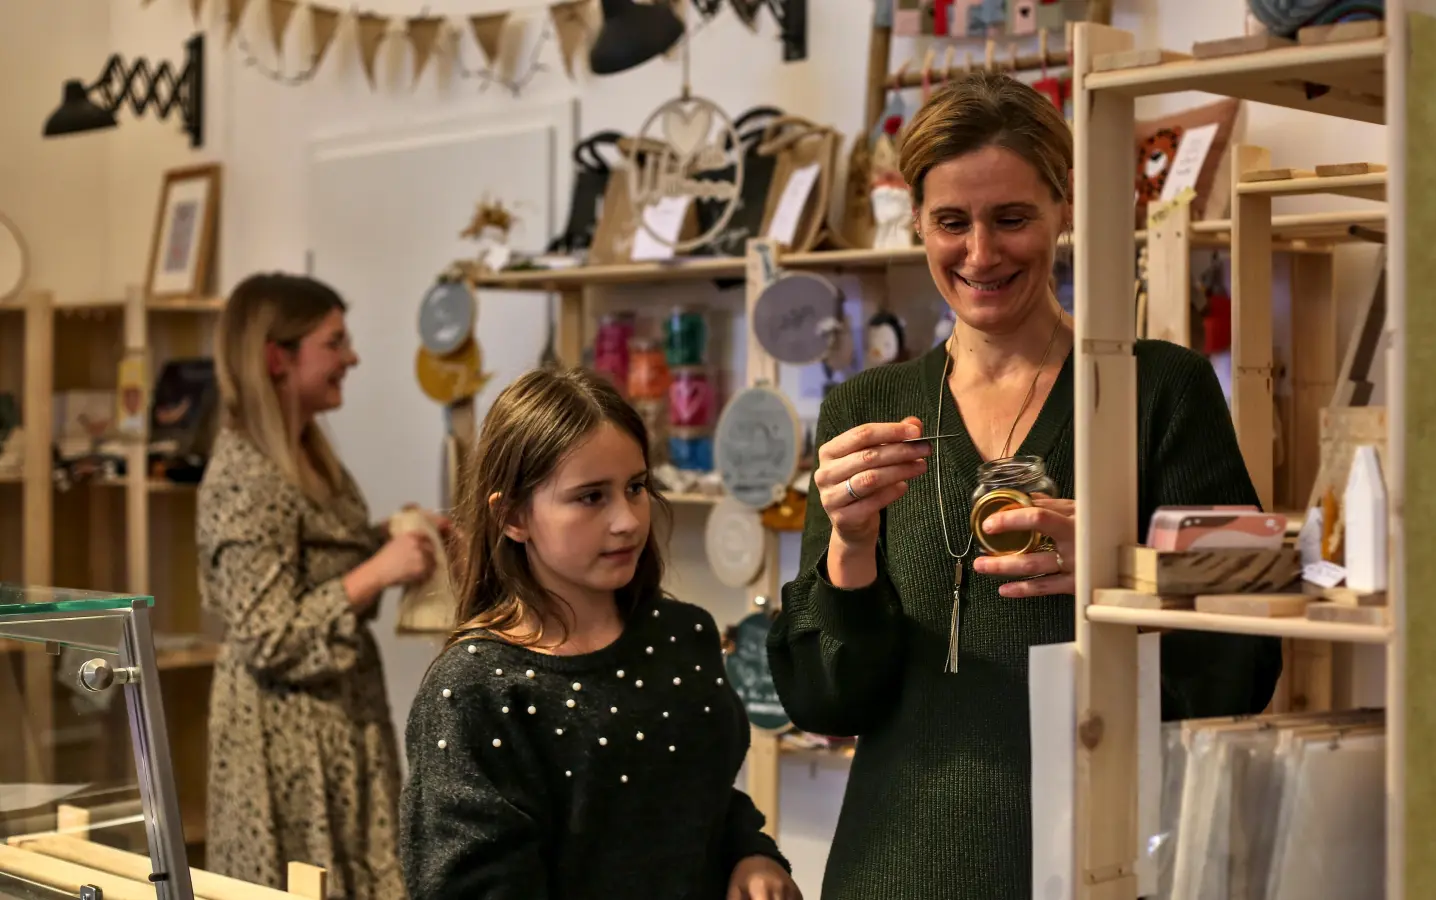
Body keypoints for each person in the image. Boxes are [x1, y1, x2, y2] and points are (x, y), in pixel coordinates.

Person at [766, 72, 1282, 899]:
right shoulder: (867, 410)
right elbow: (829, 699)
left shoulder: (1160, 389)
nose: (980, 253)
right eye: (950, 223)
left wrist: (1121, 575)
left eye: (1011, 218)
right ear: (918, 224)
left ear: (1063, 207)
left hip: (1102, 864)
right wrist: (852, 548)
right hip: (897, 868)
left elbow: (1245, 662)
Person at [400, 367, 800, 900]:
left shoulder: (683, 635)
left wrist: (750, 855)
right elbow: (474, 886)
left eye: (636, 487)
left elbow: (699, 800)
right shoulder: (476, 691)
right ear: (514, 516)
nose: (629, 521)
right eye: (591, 497)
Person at [197, 273, 445, 899]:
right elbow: (268, 635)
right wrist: (379, 571)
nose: (352, 357)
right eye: (335, 342)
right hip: (284, 741)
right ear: (277, 357)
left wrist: (390, 535)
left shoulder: (305, 451)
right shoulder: (246, 475)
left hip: (339, 721)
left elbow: (308, 564)